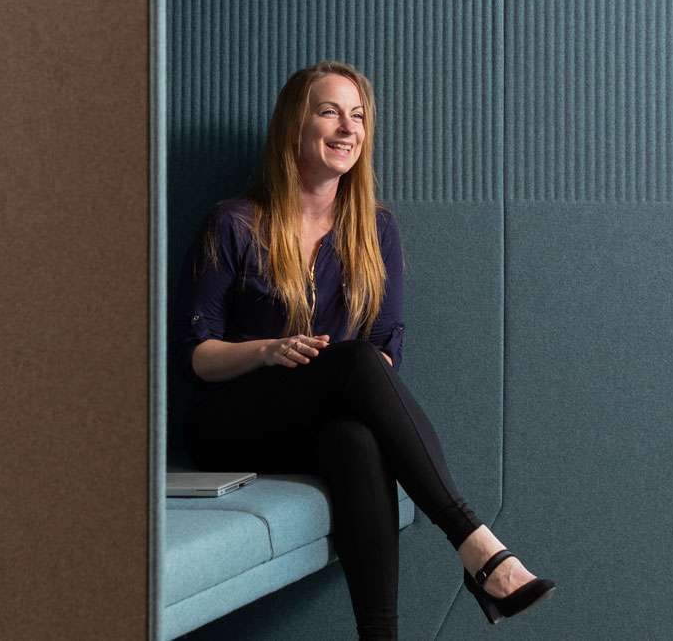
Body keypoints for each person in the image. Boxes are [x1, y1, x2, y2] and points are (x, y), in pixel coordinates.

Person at [170, 61, 555, 641]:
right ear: (293, 128)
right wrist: (268, 351)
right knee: (349, 359)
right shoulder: (234, 223)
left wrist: (341, 369)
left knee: (353, 432)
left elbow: (385, 351)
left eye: (357, 116)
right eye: (329, 112)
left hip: (320, 416)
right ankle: (475, 543)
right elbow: (195, 355)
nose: (348, 128)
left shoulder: (375, 230)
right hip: (227, 422)